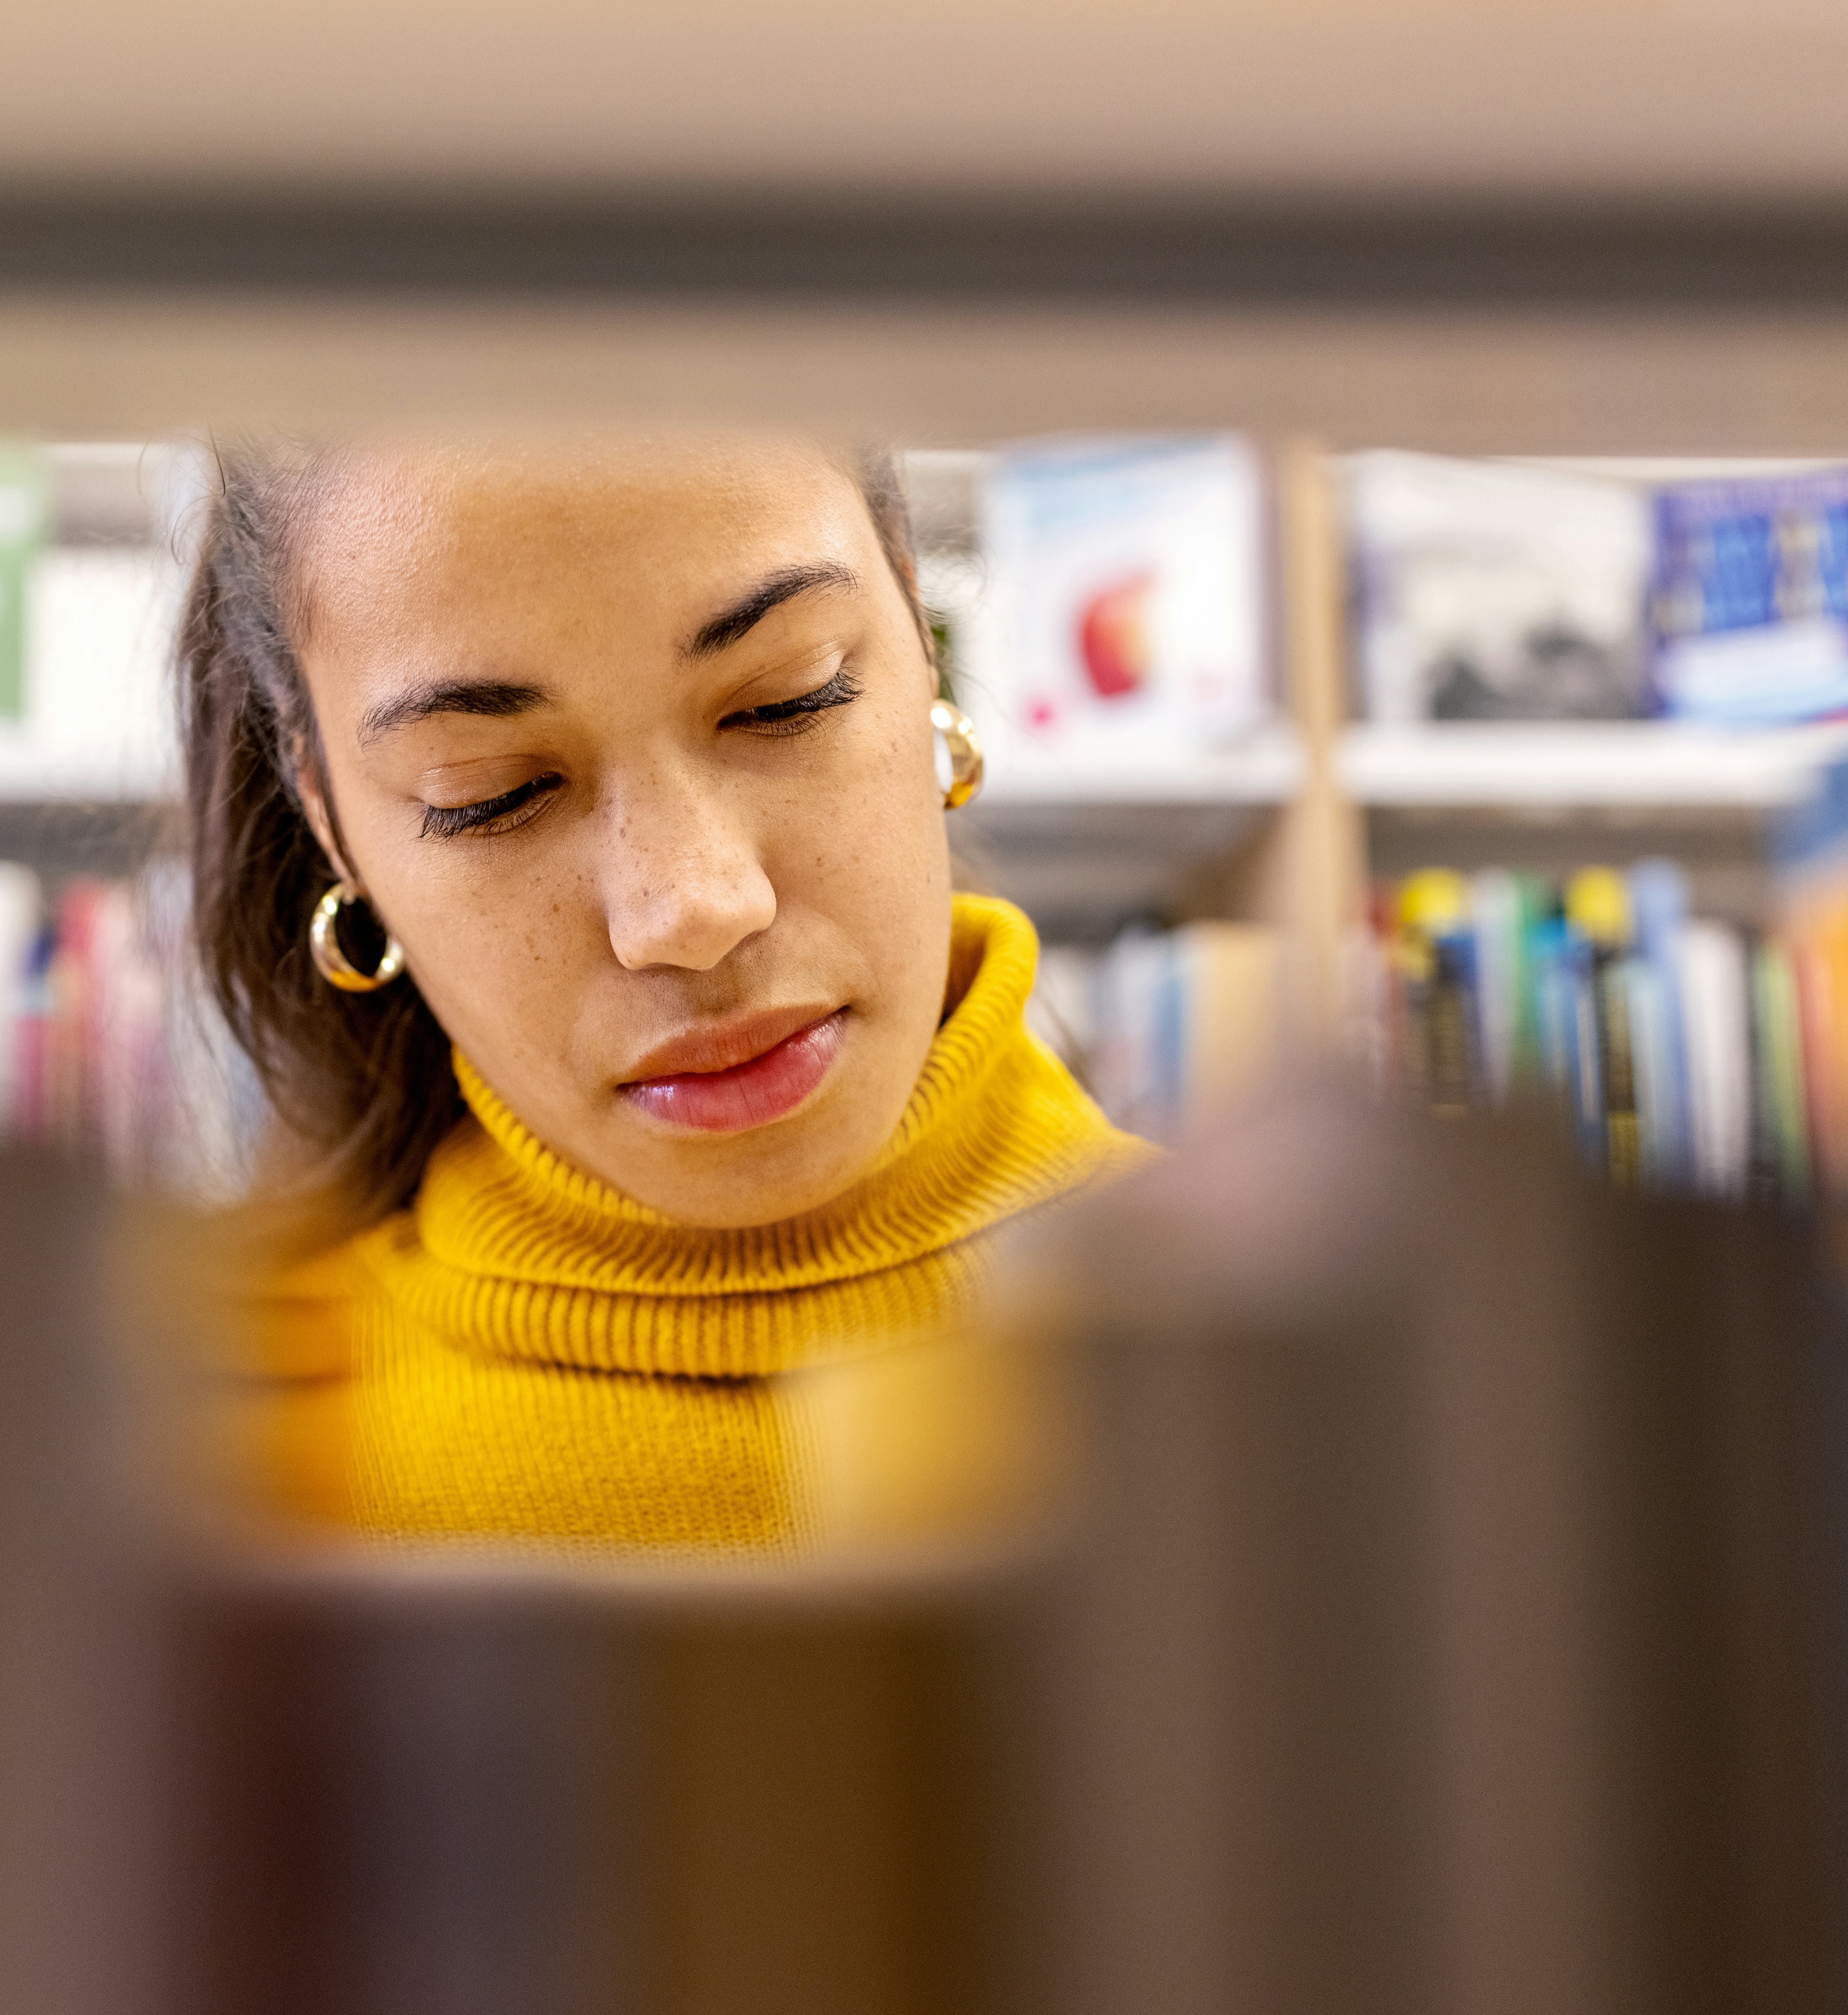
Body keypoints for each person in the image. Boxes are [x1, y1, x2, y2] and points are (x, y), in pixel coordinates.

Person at [182, 429, 1151, 1548]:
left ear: (915, 615)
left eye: (787, 699)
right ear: (329, 820)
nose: (694, 907)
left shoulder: (1325, 1399)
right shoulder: (212, 1483)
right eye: (493, 795)